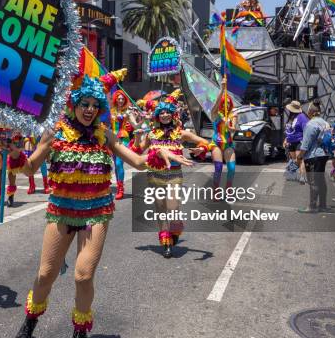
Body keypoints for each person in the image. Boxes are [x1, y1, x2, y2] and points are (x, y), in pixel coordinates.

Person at [12, 70, 192, 338]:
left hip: (96, 212)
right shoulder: (55, 132)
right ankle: (31, 318)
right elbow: (30, 168)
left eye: (96, 105)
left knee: (83, 276)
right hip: (61, 211)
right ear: (74, 103)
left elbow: (138, 161)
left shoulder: (104, 134)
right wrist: (15, 153)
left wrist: (159, 152)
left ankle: (80, 330)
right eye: (85, 103)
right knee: (46, 274)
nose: (90, 110)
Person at [135, 90, 210, 258]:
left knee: (173, 208)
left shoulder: (181, 133)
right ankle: (166, 242)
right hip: (154, 175)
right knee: (161, 209)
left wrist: (201, 149)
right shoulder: (152, 134)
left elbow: (205, 142)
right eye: (161, 112)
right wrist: (137, 137)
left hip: (174, 175)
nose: (164, 115)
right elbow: (137, 150)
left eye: (168, 112)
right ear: (156, 116)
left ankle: (176, 229)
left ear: (173, 114)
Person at [296, 100, 333, 213]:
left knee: (313, 181)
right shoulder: (325, 123)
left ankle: (312, 207)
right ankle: (323, 205)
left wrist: (299, 157)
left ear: (311, 112)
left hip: (313, 156)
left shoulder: (311, 124)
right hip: (324, 155)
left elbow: (305, 145)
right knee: (321, 180)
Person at [210, 76, 238, 191]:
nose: (226, 104)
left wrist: (229, 126)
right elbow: (215, 105)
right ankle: (216, 191)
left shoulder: (233, 115)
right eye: (224, 102)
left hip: (228, 144)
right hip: (216, 143)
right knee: (218, 167)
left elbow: (233, 130)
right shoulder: (215, 114)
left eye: (228, 102)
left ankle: (228, 188)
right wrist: (222, 89)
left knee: (231, 168)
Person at [110, 90, 133, 200]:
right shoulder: (111, 111)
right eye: (119, 98)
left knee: (119, 163)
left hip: (123, 139)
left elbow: (135, 124)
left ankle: (120, 189)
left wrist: (142, 120)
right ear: (115, 99)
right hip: (113, 139)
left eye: (122, 99)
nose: (120, 100)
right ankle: (119, 186)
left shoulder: (127, 111)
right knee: (115, 163)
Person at [284, 100, 309, 184]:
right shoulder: (291, 117)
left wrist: (305, 141)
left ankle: (302, 177)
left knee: (300, 159)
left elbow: (306, 129)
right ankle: (293, 173)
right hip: (291, 142)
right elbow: (288, 129)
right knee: (294, 159)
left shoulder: (302, 117)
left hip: (299, 141)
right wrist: (286, 139)